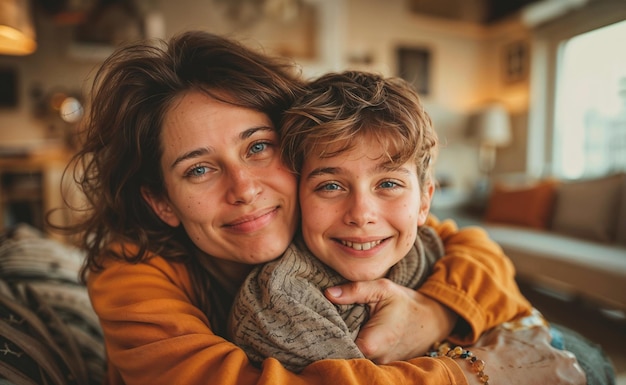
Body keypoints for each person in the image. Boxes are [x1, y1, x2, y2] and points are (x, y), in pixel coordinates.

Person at [67, 30, 590, 384]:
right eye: (199, 169)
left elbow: (474, 249)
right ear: (162, 202)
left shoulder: (329, 227)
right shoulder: (131, 277)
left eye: (258, 147)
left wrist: (433, 313)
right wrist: (478, 371)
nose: (244, 188)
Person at [229, 70, 446, 372]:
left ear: (424, 201)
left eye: (389, 184)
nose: (360, 214)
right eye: (330, 186)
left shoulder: (430, 249)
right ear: (299, 197)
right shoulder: (281, 305)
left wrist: (443, 314)